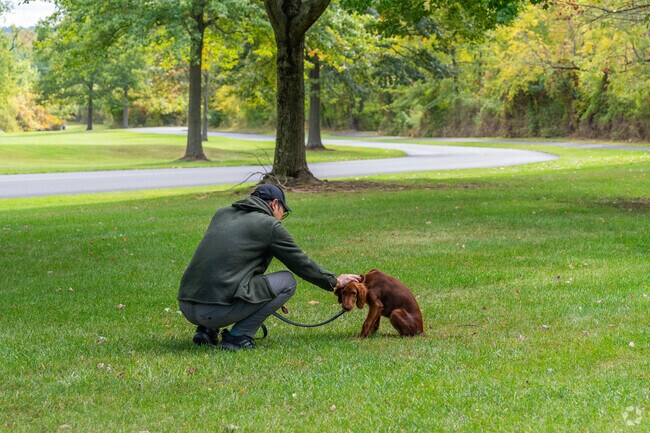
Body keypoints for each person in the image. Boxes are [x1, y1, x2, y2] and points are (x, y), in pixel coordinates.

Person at [178, 183, 360, 351]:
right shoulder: (269, 224)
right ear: (274, 204)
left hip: (186, 304)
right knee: (287, 281)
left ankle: (207, 331)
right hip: (216, 311)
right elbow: (300, 262)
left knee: (224, 272)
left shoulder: (222, 213)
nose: (282, 218)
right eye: (283, 212)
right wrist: (335, 280)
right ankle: (237, 337)